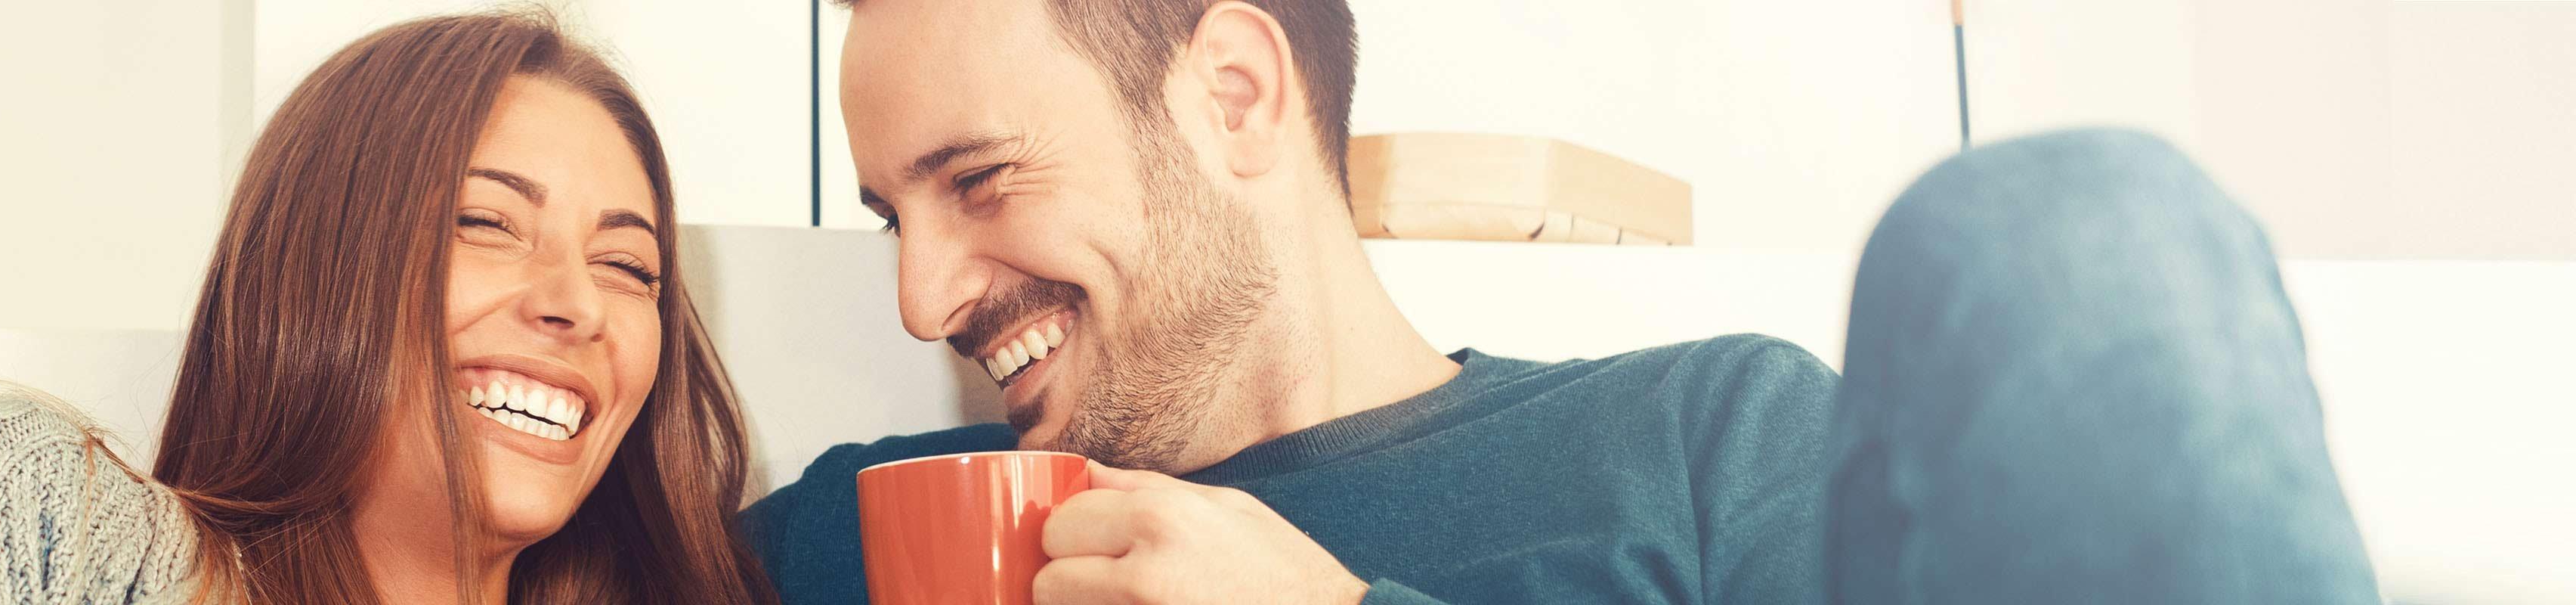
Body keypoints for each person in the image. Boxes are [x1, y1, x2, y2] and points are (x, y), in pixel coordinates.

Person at [744, 0, 2379, 603]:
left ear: (1235, 95)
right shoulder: (865, 531)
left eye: (980, 181)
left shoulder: (1706, 440)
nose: (918, 292)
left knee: (2065, 223)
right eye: (895, 212)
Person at [0, 12, 777, 604]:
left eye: (627, 267)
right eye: (485, 221)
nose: (576, 305)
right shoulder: (32, 511)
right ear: (321, 263)